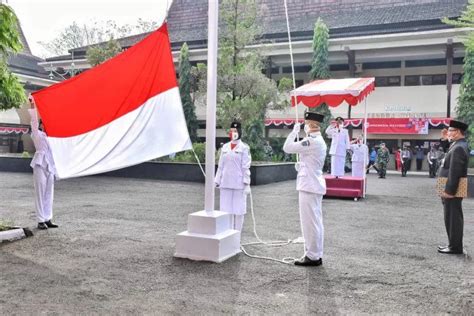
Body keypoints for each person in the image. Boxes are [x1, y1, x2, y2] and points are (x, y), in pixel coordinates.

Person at [283, 112, 327, 267]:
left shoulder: (312, 141)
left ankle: (312, 256)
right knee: (315, 222)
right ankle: (316, 254)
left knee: (310, 223)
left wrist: (294, 132)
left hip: (309, 185)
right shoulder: (317, 141)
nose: (304, 126)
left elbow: (287, 148)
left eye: (306, 123)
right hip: (312, 183)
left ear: (312, 125)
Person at [437, 120, 469, 255]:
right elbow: (448, 152)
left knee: (453, 218)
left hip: (452, 190)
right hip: (450, 187)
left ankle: (455, 247)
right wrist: (445, 139)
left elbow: (455, 171)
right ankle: (453, 244)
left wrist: (449, 191)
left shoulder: (459, 148)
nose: (448, 132)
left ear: (457, 132)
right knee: (450, 216)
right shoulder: (457, 145)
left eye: (450, 130)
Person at [215, 121, 251, 232]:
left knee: (239, 212)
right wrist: (216, 180)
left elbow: (246, 167)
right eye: (231, 131)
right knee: (226, 212)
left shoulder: (244, 148)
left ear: (239, 132)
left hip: (238, 185)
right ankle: (228, 235)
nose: (233, 133)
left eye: (235, 131)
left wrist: (246, 184)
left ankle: (237, 237)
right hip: (225, 183)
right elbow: (220, 166)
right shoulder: (225, 147)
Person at [28, 96, 58, 230]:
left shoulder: (52, 138)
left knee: (49, 193)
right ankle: (40, 220)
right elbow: (33, 122)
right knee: (40, 192)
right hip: (40, 164)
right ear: (41, 124)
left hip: (50, 166)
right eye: (43, 123)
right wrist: (33, 106)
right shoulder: (37, 134)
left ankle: (48, 218)